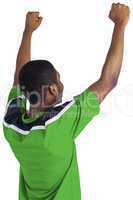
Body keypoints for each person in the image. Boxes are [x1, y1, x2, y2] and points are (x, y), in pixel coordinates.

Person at [3, 3, 130, 200]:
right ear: (53, 89)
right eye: (58, 79)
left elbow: (19, 78)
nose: (61, 83)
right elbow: (108, 81)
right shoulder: (60, 124)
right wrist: (121, 24)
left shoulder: (11, 124)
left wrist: (28, 31)